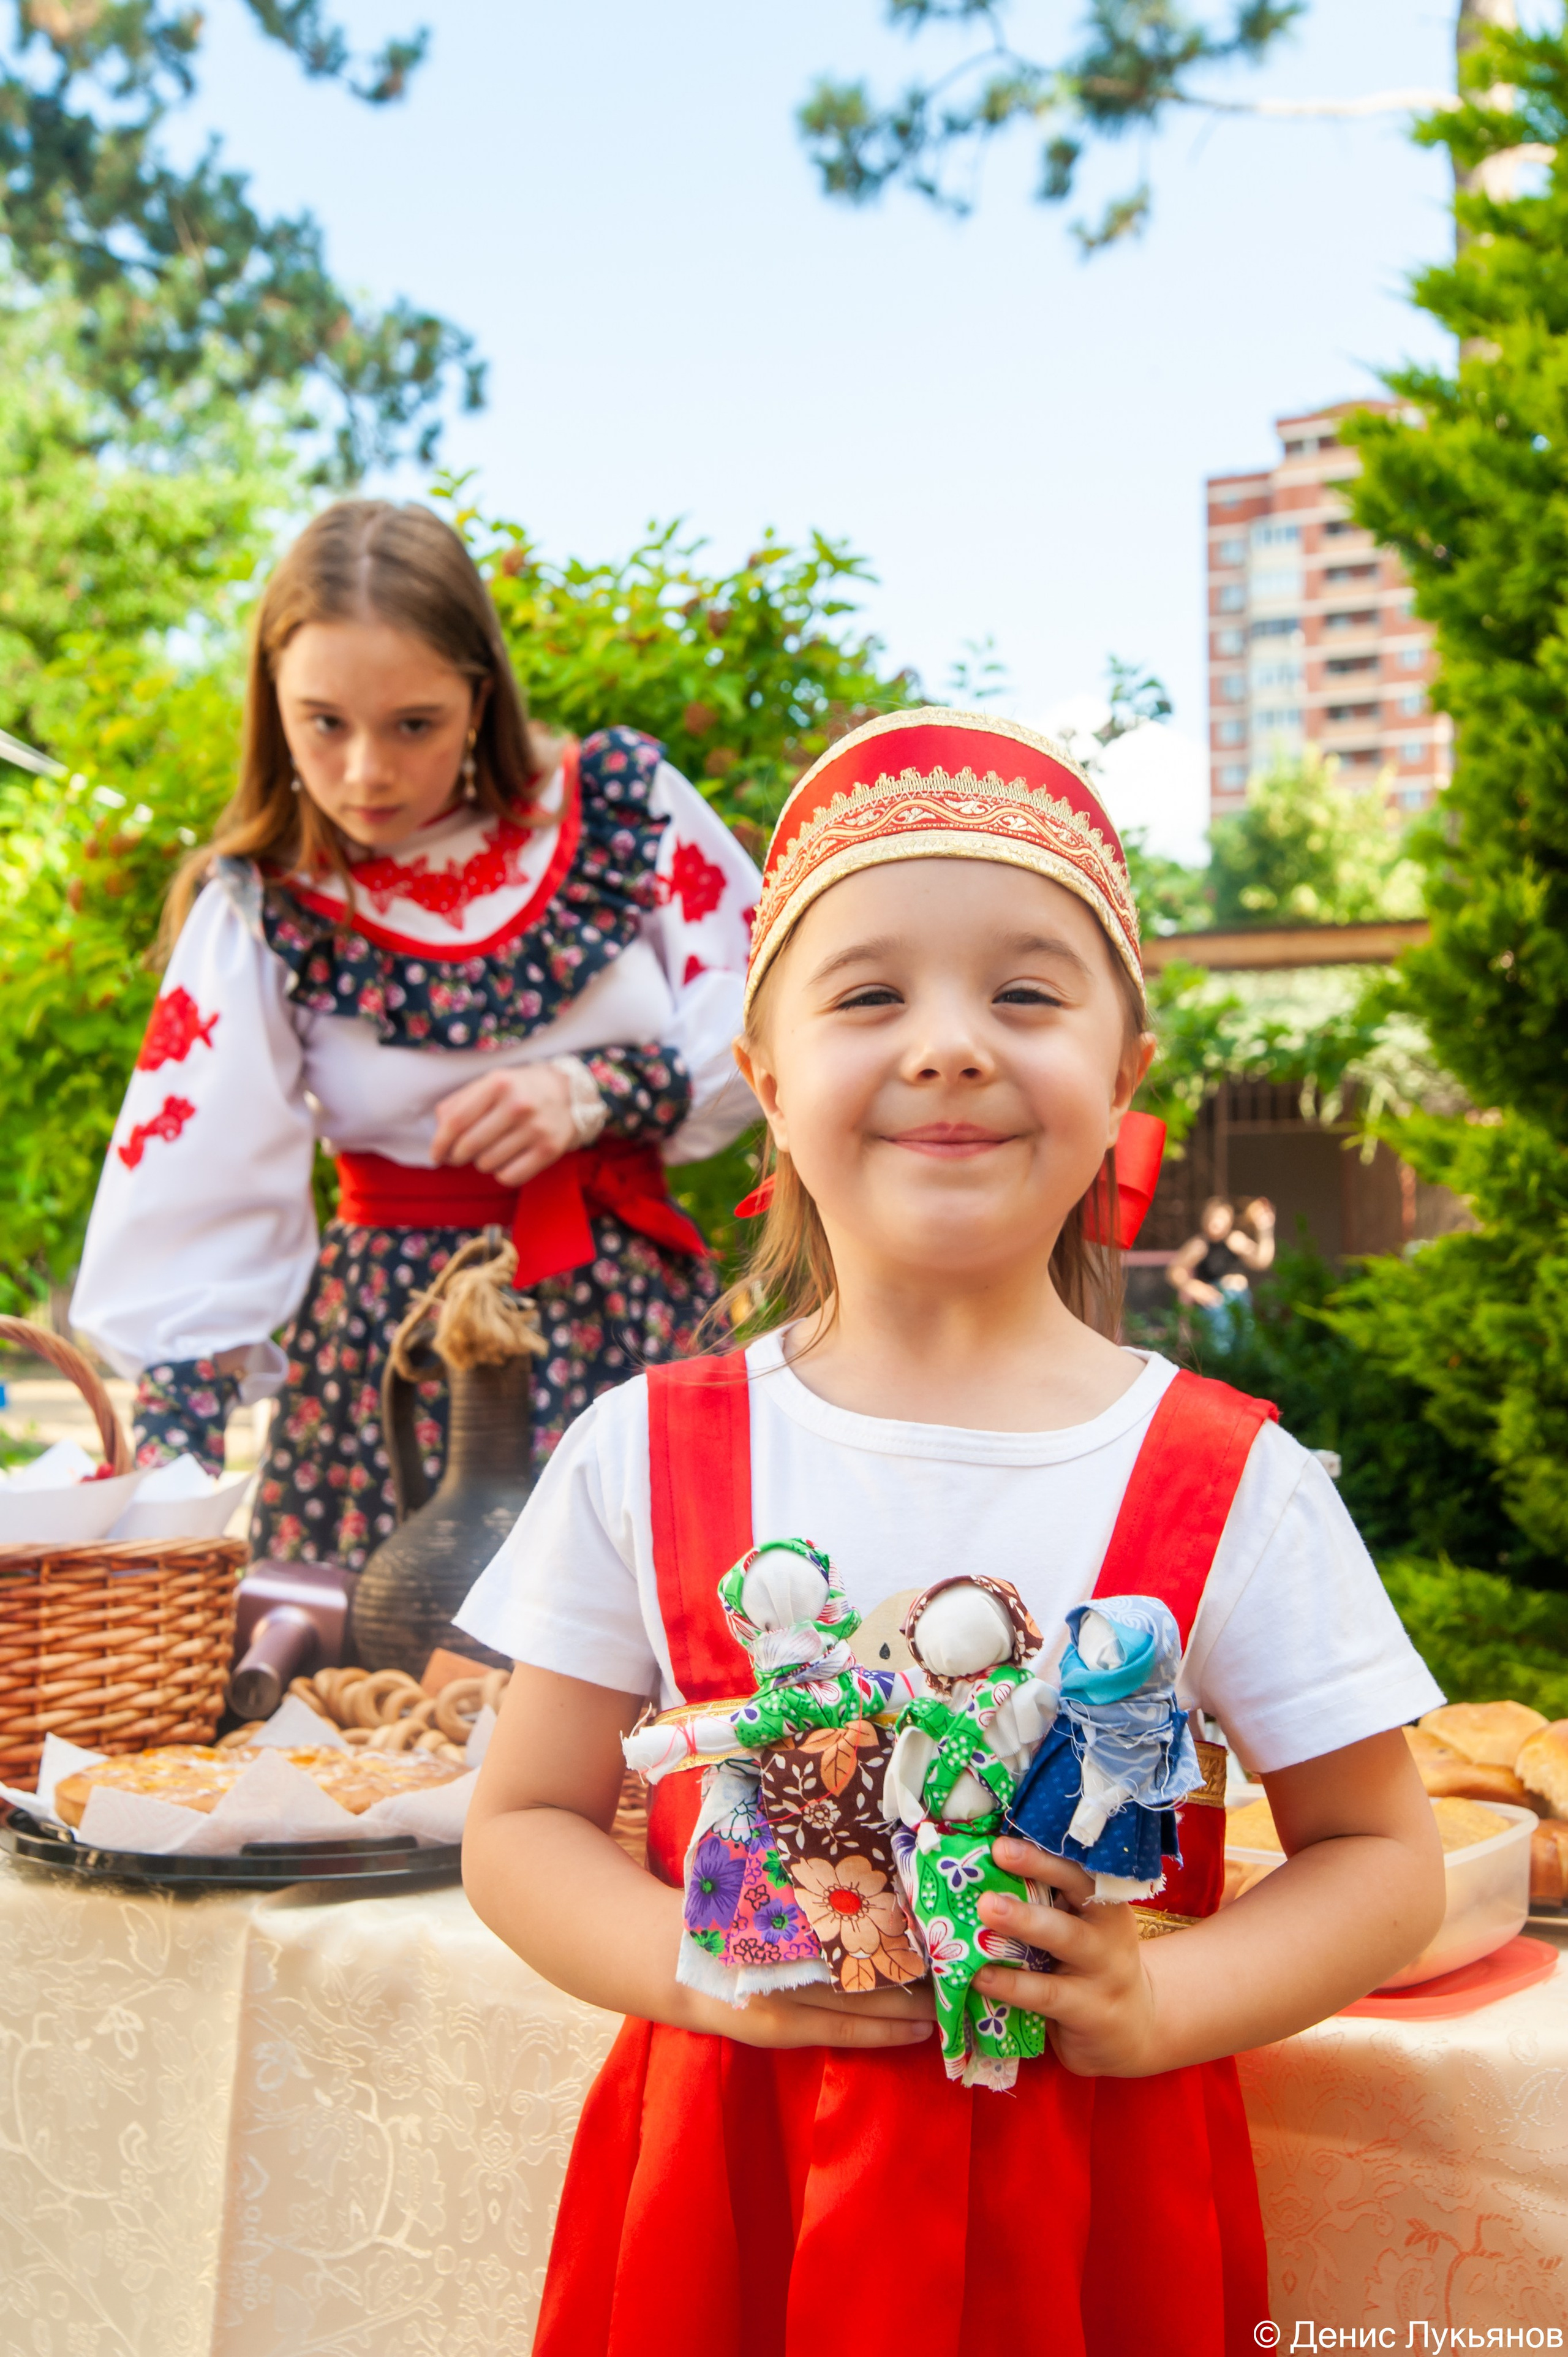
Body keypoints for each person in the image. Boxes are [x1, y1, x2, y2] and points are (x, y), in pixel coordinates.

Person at [458, 709, 1446, 2356]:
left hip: (1095, 2212)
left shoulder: (1233, 1478)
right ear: (767, 1084)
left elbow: (1380, 1856)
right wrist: (700, 1969)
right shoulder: (645, 1447)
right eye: (868, 996)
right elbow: (521, 1823)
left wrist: (1160, 2001)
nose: (947, 1046)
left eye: (1026, 995)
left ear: (1121, 1079)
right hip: (732, 2197)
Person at [70, 501, 760, 1565]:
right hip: (390, 1368)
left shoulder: (620, 809)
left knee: (666, 1631)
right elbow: (193, 1192)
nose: (365, 773)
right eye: (324, 723)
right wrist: (164, 1507)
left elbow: (777, 1013)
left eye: (414, 724)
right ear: (273, 700)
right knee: (383, 1661)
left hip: (629, 1323)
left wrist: (595, 1092)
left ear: (480, 695)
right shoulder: (266, 903)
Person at [1167, 1194, 1276, 1336]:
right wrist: (1192, 1286)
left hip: (1241, 1301)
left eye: (1222, 1217)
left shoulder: (1235, 1239)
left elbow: (1261, 1261)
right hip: (1216, 1305)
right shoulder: (1200, 1245)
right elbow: (1174, 1270)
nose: (1217, 1222)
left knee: (1245, 1342)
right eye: (1214, 1217)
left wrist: (1265, 1229)